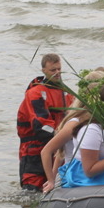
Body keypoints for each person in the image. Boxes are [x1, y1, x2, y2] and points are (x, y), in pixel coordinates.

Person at [40, 69, 104, 193]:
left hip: (92, 174)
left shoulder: (101, 121)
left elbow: (59, 155)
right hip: (75, 175)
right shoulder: (75, 123)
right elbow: (47, 151)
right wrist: (51, 180)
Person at [17, 53, 72, 191]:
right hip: (34, 150)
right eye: (53, 70)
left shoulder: (66, 92)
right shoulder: (35, 93)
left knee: (56, 187)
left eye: (59, 69)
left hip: (57, 147)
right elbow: (41, 126)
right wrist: (62, 136)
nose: (57, 73)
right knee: (32, 189)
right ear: (44, 71)